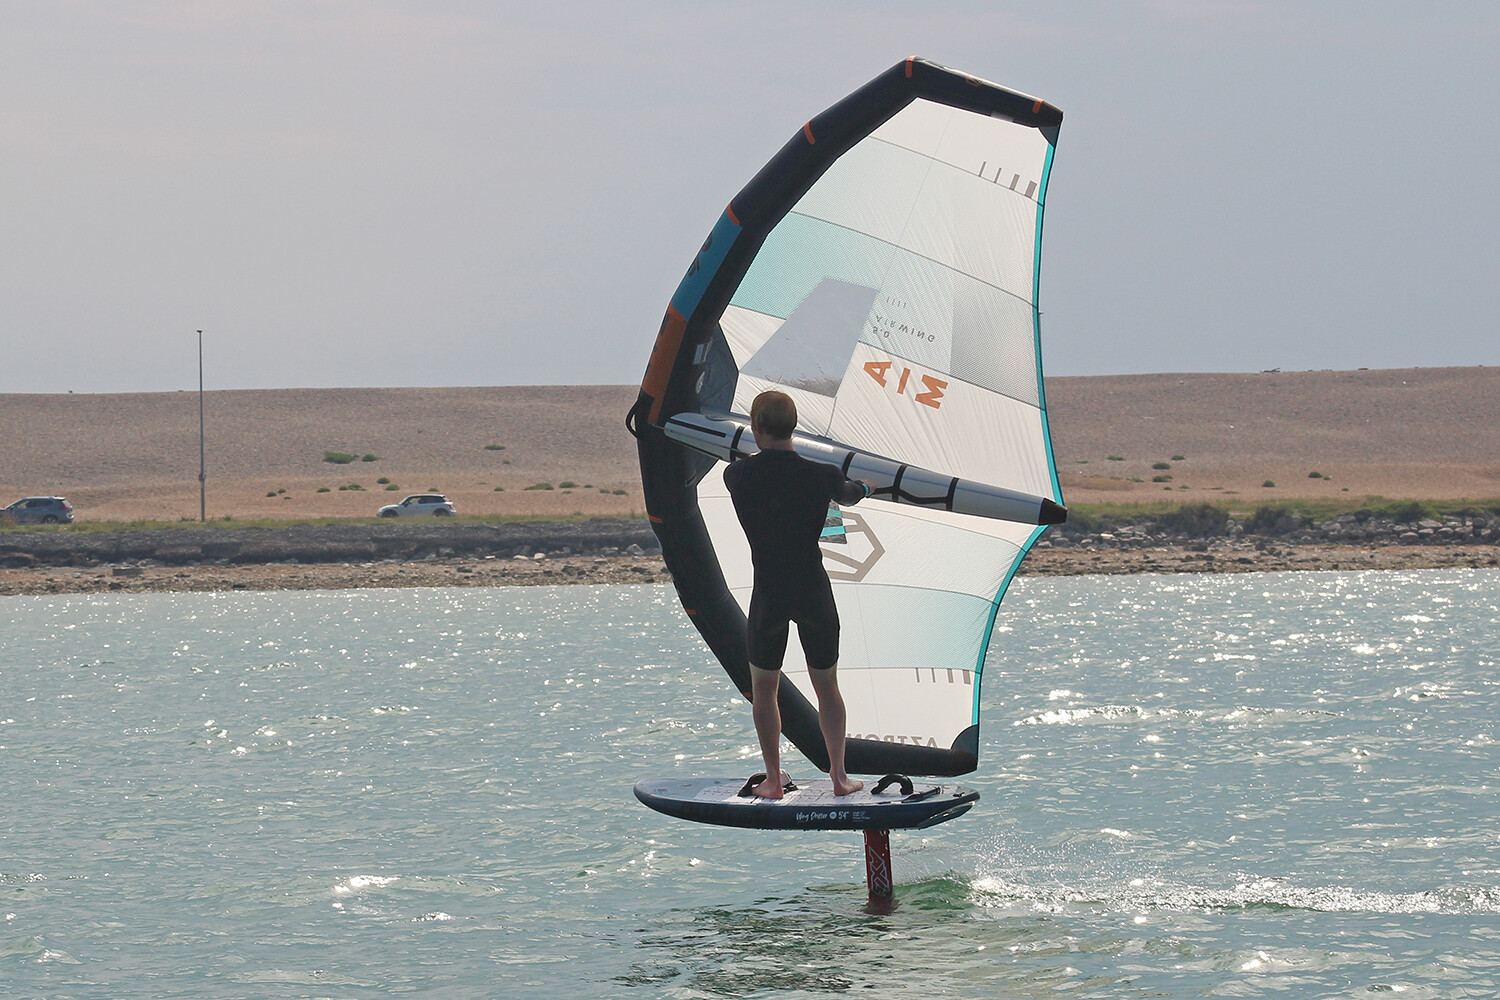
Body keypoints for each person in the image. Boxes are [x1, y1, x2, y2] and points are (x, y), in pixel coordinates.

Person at [722, 390, 872, 799]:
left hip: (769, 595)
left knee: (764, 690)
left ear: (756, 427)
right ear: (794, 426)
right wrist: (865, 486)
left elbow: (755, 467)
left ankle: (773, 781)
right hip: (812, 592)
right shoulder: (823, 475)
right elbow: (850, 493)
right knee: (827, 687)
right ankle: (839, 778)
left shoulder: (736, 476)